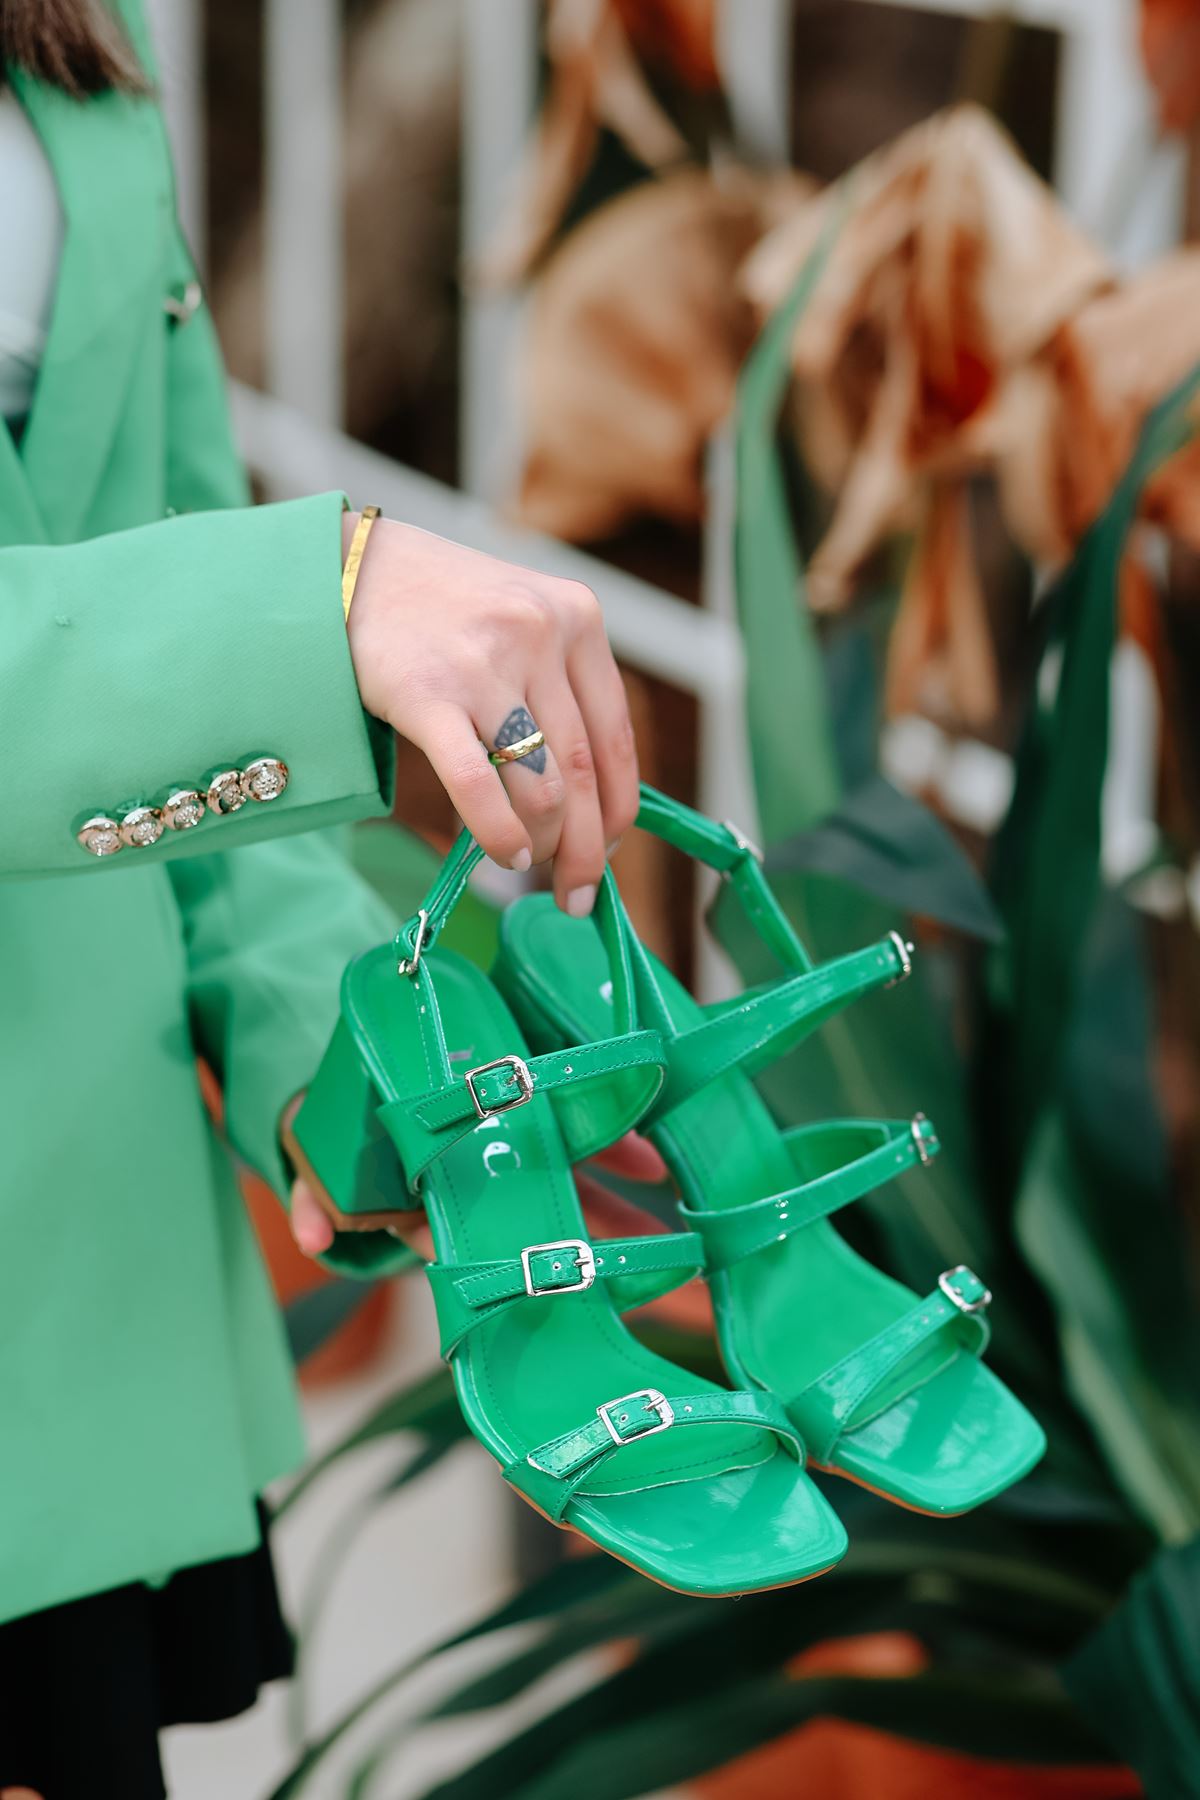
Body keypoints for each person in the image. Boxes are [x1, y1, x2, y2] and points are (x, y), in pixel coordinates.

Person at [0, 3, 643, 1794]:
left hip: (66, 1280)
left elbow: (135, 519)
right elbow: (226, 625)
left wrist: (338, 1053)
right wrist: (317, 609)